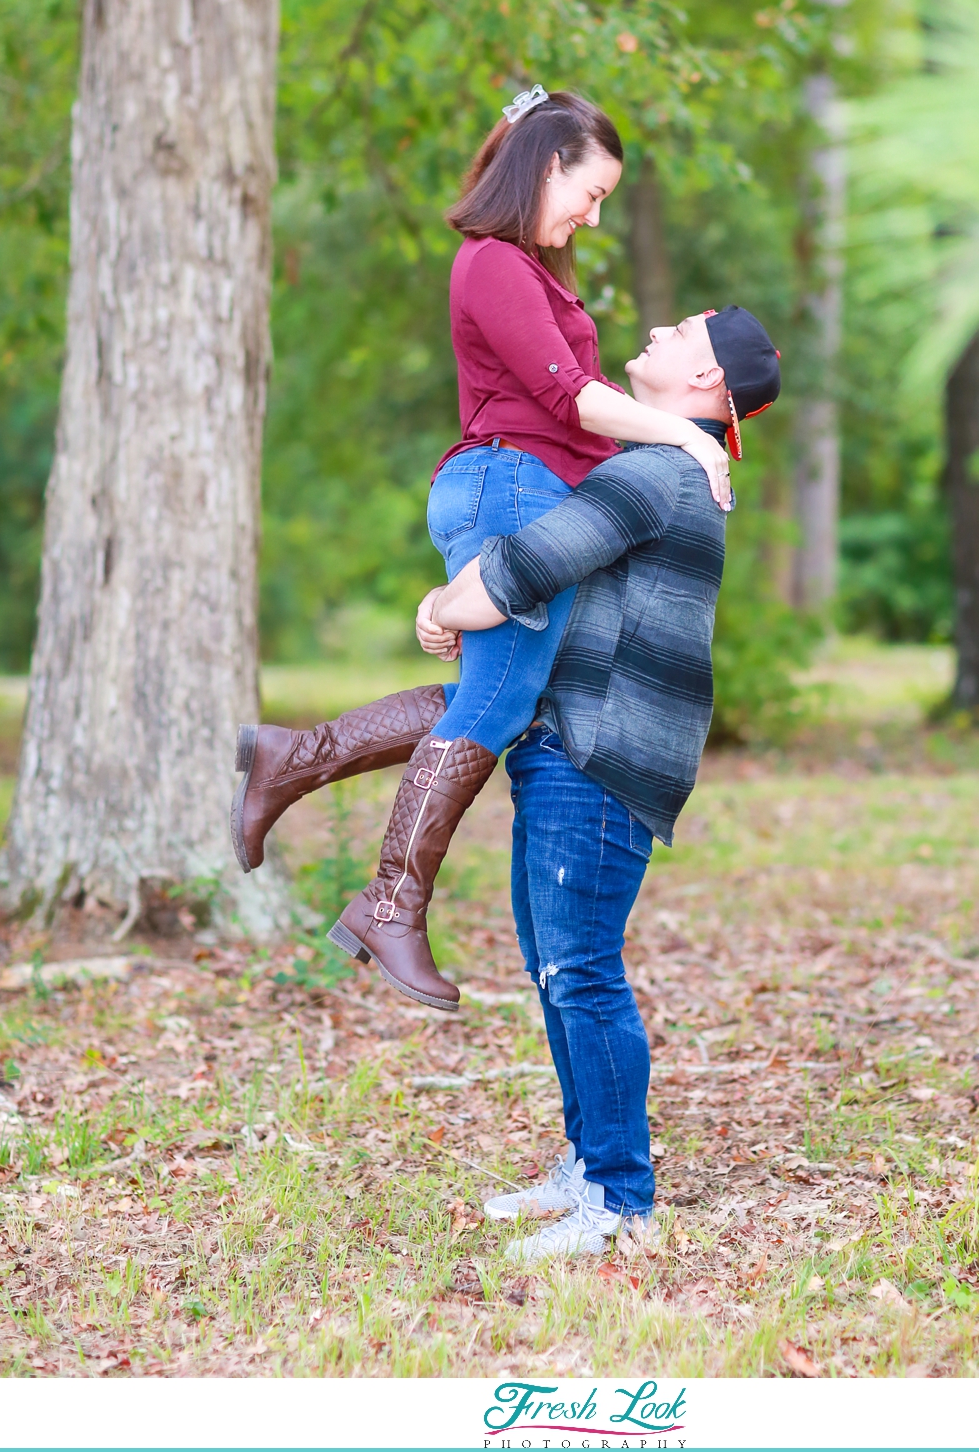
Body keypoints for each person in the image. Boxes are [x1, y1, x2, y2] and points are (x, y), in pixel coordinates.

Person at [230, 88, 731, 1012]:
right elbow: (572, 401)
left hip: (524, 486)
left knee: (497, 695)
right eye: (592, 191)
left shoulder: (533, 272)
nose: (594, 213)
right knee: (498, 704)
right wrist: (691, 438)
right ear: (548, 165)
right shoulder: (493, 263)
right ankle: (388, 902)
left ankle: (296, 760)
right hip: (508, 482)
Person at [414, 305, 780, 1262]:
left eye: (683, 333)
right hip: (569, 746)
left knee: (581, 970)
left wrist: (443, 604)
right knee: (555, 966)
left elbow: (526, 568)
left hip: (602, 754)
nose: (658, 330)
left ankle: (619, 1199)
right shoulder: (666, 465)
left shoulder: (657, 473)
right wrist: (459, 600)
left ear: (709, 385)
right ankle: (588, 1166)